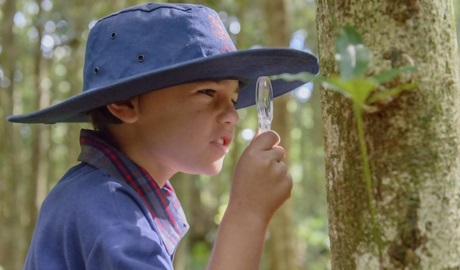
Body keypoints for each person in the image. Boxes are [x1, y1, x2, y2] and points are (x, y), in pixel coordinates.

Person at [8, 2, 318, 269]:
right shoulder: (109, 210)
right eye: (208, 92)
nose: (232, 115)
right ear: (125, 104)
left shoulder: (98, 194)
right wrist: (247, 213)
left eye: (234, 99)